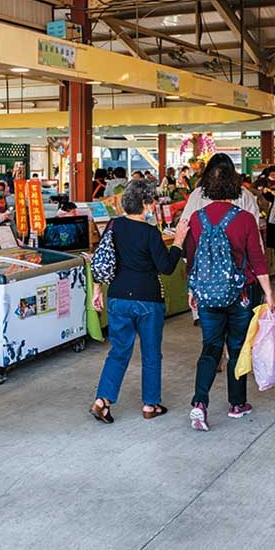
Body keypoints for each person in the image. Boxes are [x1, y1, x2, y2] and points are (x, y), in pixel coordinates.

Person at [181, 156, 275, 432]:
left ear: (207, 187)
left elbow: (191, 256)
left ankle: (199, 403)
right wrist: (268, 293)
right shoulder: (245, 219)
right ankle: (237, 404)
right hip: (241, 294)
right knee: (236, 348)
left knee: (210, 348)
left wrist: (193, 289)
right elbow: (258, 259)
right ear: (235, 186)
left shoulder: (197, 219)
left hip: (207, 295)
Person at [89, 179, 188, 424]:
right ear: (145, 204)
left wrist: (97, 290)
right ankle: (150, 405)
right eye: (152, 201)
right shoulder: (150, 232)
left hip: (118, 297)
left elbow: (101, 259)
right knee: (151, 353)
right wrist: (178, 241)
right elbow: (165, 267)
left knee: (119, 351)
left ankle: (103, 400)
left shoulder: (113, 225)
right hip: (147, 299)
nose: (154, 205)